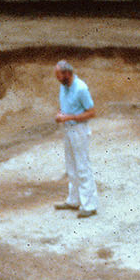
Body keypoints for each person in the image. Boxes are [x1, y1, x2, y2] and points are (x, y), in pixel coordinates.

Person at [53, 60, 98, 218]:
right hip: (68, 129)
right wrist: (61, 114)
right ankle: (74, 200)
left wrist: (69, 117)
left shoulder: (81, 88)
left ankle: (89, 205)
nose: (57, 79)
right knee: (71, 166)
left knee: (82, 166)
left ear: (67, 74)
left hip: (79, 130)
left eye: (59, 75)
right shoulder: (63, 86)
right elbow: (63, 105)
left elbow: (91, 112)